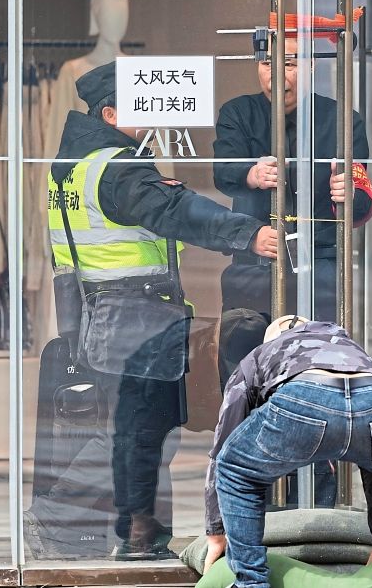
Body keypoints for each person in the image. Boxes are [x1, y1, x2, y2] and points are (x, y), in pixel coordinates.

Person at [25, 61, 279, 561]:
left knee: (138, 434)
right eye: (141, 102)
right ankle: (63, 518)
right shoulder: (116, 167)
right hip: (135, 316)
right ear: (112, 112)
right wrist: (246, 233)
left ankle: (142, 539)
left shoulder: (74, 165)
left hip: (104, 313)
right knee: (138, 436)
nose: (152, 109)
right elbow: (173, 210)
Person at [212, 35, 372, 505]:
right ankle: (247, 504)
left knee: (318, 382)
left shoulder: (341, 120)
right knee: (246, 384)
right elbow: (221, 169)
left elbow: (365, 197)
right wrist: (249, 174)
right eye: (266, 62)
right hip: (254, 265)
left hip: (319, 267)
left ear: (311, 67)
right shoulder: (238, 113)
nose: (275, 73)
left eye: (288, 63)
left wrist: (353, 194)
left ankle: (319, 505)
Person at [203, 315, 372, 588]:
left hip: (305, 397)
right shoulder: (351, 349)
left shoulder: (260, 354)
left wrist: (217, 532)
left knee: (235, 469)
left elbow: (224, 443)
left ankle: (251, 582)